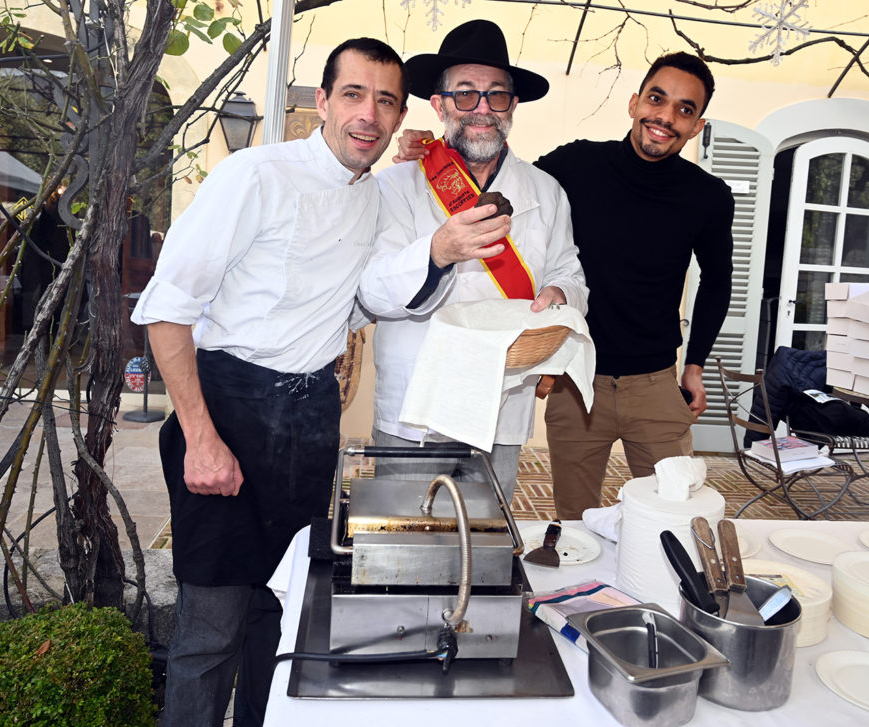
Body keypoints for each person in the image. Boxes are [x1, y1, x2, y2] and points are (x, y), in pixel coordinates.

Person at [130, 38, 408, 727]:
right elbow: (166, 312)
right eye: (353, 94)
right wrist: (200, 438)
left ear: (400, 115)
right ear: (322, 101)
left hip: (309, 424)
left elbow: (362, 298)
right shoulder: (256, 174)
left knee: (280, 622)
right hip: (228, 411)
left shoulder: (373, 199)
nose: (368, 114)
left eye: (386, 100)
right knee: (211, 628)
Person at [357, 19, 587, 503]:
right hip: (416, 407)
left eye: (496, 95)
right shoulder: (395, 186)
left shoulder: (546, 191)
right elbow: (372, 291)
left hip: (500, 404)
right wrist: (439, 253)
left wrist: (560, 294)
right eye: (465, 94)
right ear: (439, 105)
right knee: (405, 548)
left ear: (513, 106)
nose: (482, 109)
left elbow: (568, 267)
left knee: (483, 552)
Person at [536, 52, 734, 518]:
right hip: (577, 381)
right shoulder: (576, 164)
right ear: (634, 103)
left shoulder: (707, 196)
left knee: (674, 520)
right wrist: (430, 164)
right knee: (574, 525)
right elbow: (508, 191)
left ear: (697, 126)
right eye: (656, 99)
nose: (665, 117)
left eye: (684, 109)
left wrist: (696, 365)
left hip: (656, 388)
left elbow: (718, 281)